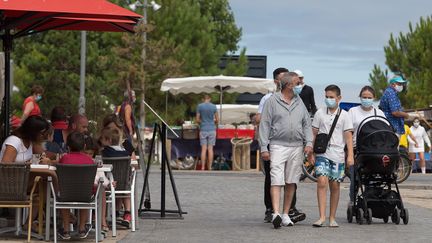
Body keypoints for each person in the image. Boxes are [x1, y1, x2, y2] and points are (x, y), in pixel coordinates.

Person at [259, 72, 313, 229]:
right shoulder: (272, 101)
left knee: (291, 181)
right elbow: (264, 124)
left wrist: (308, 142)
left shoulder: (299, 101)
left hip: (296, 146)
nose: (300, 85)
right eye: (297, 83)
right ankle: (275, 213)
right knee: (276, 178)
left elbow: (306, 124)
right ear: (289, 85)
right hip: (277, 145)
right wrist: (264, 147)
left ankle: (285, 214)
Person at [311, 84, 354, 228]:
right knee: (321, 182)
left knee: (335, 185)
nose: (328, 100)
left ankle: (332, 217)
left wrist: (350, 156)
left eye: (331, 97)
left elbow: (348, 137)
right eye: (326, 97)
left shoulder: (345, 115)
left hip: (338, 154)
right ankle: (322, 216)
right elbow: (314, 134)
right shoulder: (319, 113)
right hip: (322, 153)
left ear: (339, 98)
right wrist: (310, 152)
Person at [347, 86, 385, 205]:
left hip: (374, 150)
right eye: (364, 97)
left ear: (373, 98)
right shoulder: (353, 112)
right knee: (355, 179)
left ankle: (370, 200)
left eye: (369, 97)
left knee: (372, 178)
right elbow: (348, 131)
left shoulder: (379, 113)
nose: (366, 99)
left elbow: (384, 131)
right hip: (357, 149)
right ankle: (353, 201)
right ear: (360, 97)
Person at [57, 132, 94, 240]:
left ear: (68, 147)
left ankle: (66, 229)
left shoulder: (64, 159)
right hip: (85, 195)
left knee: (64, 194)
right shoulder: (89, 160)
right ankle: (82, 228)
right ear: (85, 146)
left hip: (66, 195)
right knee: (85, 193)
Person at [100, 127, 133, 228]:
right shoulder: (126, 152)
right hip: (123, 186)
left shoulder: (105, 152)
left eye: (103, 139)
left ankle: (101, 216)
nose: (101, 141)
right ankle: (127, 214)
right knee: (127, 186)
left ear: (109, 140)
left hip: (109, 185)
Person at [196, 94, 218, 170]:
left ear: (203, 99)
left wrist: (202, 122)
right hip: (212, 129)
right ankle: (210, 167)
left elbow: (197, 119)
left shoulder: (200, 106)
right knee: (210, 149)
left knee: (203, 149)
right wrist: (212, 122)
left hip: (203, 129)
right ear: (210, 99)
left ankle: (202, 167)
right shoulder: (214, 106)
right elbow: (217, 119)